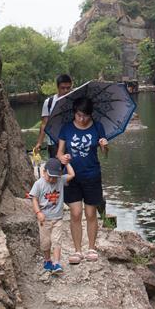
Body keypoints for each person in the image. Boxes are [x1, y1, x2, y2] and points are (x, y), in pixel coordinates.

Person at [57, 96, 108, 264]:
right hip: (72, 176)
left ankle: (91, 248)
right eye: (79, 115)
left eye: (85, 115)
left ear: (90, 114)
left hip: (92, 175)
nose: (82, 119)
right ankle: (77, 250)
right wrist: (62, 158)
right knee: (76, 213)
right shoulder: (66, 128)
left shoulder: (98, 127)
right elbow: (59, 152)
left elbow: (105, 153)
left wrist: (104, 145)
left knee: (91, 213)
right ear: (74, 113)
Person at [28, 157, 75, 273]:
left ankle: (56, 263)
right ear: (44, 172)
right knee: (45, 242)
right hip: (44, 219)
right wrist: (38, 212)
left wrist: (67, 163)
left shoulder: (60, 181)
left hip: (58, 218)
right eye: (50, 177)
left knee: (56, 240)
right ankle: (47, 260)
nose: (53, 180)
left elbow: (72, 175)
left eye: (55, 177)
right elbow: (34, 199)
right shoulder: (38, 184)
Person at [34, 74, 73, 159]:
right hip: (53, 142)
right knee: (56, 169)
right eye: (63, 88)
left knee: (72, 169)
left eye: (68, 88)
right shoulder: (49, 102)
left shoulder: (74, 101)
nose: (66, 90)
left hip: (71, 141)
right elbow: (44, 123)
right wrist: (39, 142)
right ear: (57, 87)